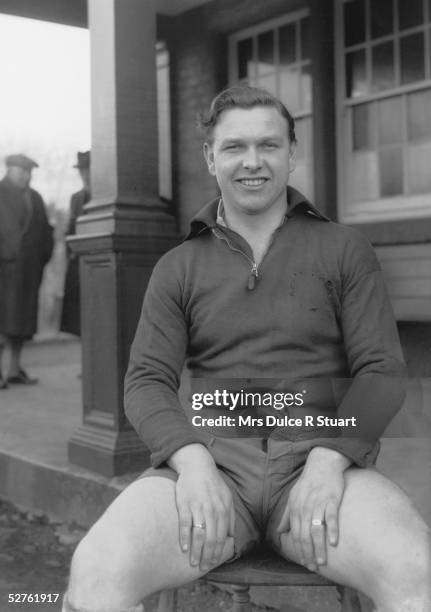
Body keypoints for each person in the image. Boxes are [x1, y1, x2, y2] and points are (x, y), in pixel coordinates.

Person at [63, 86, 431, 612]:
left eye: (269, 145)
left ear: (292, 154)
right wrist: (190, 465)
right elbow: (145, 381)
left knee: (416, 572)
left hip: (319, 455)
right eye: (234, 147)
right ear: (211, 158)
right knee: (95, 575)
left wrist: (329, 462)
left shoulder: (345, 249)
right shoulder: (178, 266)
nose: (252, 162)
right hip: (212, 458)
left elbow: (383, 371)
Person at [0, 154, 53, 389]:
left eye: (28, 170)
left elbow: (45, 233)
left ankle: (13, 369)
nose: (25, 174)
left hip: (29, 271)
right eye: (20, 169)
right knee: (2, 320)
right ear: (8, 169)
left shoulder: (36, 198)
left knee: (21, 322)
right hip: (4, 268)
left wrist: (42, 258)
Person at [60, 151, 91, 337]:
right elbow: (70, 230)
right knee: (78, 319)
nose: (85, 175)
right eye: (82, 171)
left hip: (95, 262)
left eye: (88, 170)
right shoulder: (76, 198)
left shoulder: (103, 196)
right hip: (77, 265)